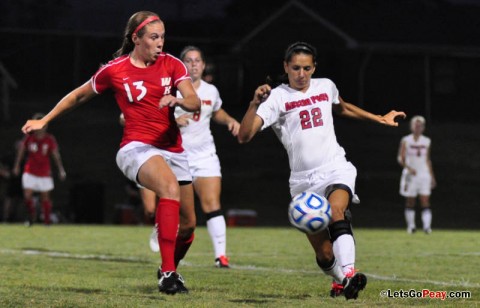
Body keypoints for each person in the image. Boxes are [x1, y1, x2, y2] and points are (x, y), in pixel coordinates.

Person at [21, 11, 201, 295]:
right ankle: (167, 274)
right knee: (168, 188)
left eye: (163, 36)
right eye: (154, 37)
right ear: (136, 38)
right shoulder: (114, 70)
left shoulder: (172, 64)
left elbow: (193, 100)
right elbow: (79, 95)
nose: (160, 43)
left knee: (189, 225)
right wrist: (46, 120)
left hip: (173, 149)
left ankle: (170, 268)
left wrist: (177, 99)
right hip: (136, 147)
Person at [237, 42, 406, 300]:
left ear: (314, 67)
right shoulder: (277, 98)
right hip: (303, 183)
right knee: (324, 253)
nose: (301, 74)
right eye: (295, 68)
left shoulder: (326, 86)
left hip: (335, 168)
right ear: (286, 67)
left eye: (307, 68)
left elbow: (344, 107)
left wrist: (379, 118)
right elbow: (244, 136)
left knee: (337, 211)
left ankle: (349, 273)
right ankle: (341, 280)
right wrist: (253, 104)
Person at [175, 46, 240, 268]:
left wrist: (230, 120)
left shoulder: (210, 91)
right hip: (176, 157)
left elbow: (216, 111)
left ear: (203, 65)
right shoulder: (171, 89)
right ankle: (171, 251)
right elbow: (152, 117)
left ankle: (221, 256)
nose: (193, 64)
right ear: (181, 65)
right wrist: (174, 121)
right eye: (188, 61)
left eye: (197, 61)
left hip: (205, 155)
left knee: (212, 204)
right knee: (182, 215)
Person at [13, 113, 66, 226]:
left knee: (45, 198)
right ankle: (31, 217)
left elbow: (55, 155)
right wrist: (17, 165)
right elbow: (21, 151)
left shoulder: (49, 139)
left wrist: (61, 169)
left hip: (44, 172)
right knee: (27, 196)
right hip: (30, 170)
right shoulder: (29, 138)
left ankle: (47, 221)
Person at [397, 115, 436, 234]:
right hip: (410, 175)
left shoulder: (427, 141)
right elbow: (400, 158)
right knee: (410, 200)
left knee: (425, 200)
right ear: (412, 126)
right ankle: (411, 226)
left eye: (420, 126)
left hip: (423, 174)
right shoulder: (406, 140)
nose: (418, 128)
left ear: (423, 127)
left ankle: (427, 227)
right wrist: (408, 168)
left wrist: (432, 177)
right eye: (416, 125)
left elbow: (428, 159)